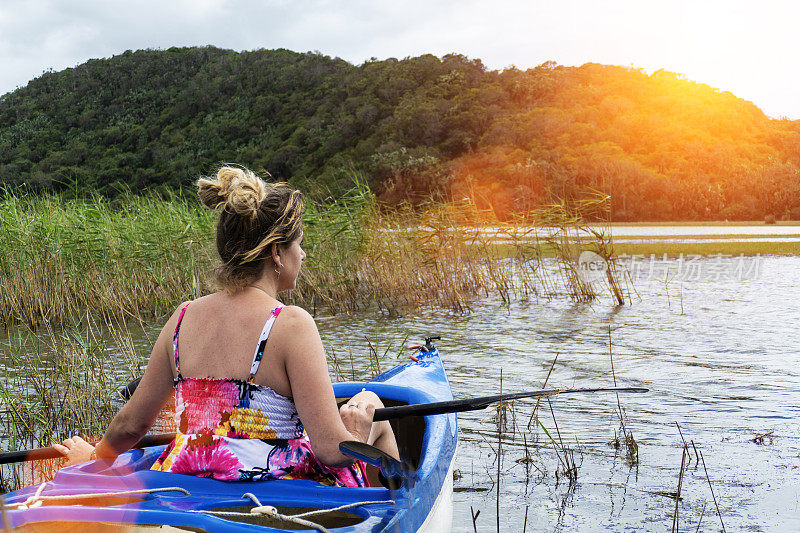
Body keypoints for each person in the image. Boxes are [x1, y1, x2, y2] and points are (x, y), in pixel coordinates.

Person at [55, 166, 398, 487]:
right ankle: (397, 511)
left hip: (189, 477)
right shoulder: (291, 323)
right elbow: (329, 451)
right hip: (272, 485)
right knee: (372, 405)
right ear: (278, 252)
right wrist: (356, 428)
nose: (304, 254)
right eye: (299, 242)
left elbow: (131, 425)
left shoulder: (182, 317)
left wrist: (95, 458)